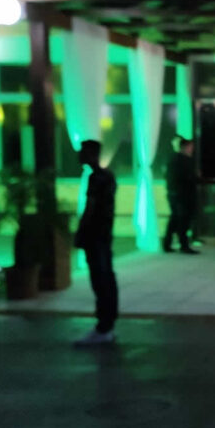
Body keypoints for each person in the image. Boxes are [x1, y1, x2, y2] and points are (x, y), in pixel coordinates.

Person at [73, 140, 119, 346]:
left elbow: (90, 209)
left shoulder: (96, 178)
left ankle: (103, 326)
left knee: (100, 279)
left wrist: (80, 232)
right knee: (106, 277)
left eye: (83, 151)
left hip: (95, 235)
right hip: (104, 234)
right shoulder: (108, 176)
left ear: (91, 154)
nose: (79, 155)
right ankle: (107, 323)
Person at [163, 137, 199, 254]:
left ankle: (167, 243)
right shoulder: (183, 160)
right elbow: (187, 177)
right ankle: (183, 244)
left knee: (175, 219)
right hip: (182, 195)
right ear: (185, 147)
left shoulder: (173, 159)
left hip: (174, 193)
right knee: (183, 220)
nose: (192, 149)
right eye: (190, 147)